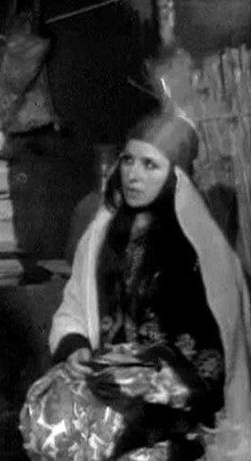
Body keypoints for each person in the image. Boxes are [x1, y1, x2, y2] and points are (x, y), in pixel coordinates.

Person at [19, 111, 251, 460]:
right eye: (128, 160)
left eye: (149, 165)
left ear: (176, 175)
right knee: (45, 416)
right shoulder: (102, 235)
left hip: (171, 390)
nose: (133, 175)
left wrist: (152, 376)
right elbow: (75, 304)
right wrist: (75, 346)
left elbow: (220, 343)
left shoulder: (201, 248)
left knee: (108, 435)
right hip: (105, 374)